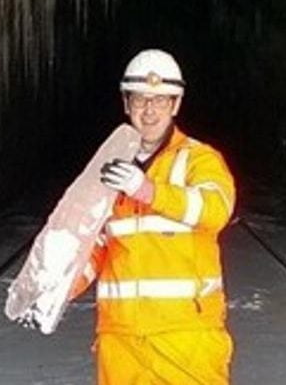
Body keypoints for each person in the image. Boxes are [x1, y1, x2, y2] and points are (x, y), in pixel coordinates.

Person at [72, 49, 237, 385]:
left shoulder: (199, 160)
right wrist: (58, 286)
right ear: (126, 104)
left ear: (175, 105)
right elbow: (98, 244)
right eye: (140, 100)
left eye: (161, 101)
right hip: (122, 346)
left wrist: (148, 190)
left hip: (186, 342)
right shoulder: (109, 170)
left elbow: (215, 210)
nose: (149, 111)